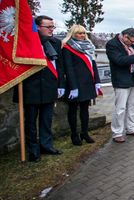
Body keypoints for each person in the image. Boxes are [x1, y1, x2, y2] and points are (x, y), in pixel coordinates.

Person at [14, 15, 65, 162]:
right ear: (37, 27)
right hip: (31, 88)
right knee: (30, 122)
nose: (51, 30)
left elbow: (59, 66)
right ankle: (33, 150)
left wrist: (60, 84)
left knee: (46, 120)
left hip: (49, 86)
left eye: (52, 27)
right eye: (48, 27)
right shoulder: (27, 41)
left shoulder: (55, 43)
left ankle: (46, 145)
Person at [106, 28, 134, 143]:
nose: (133, 44)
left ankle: (131, 128)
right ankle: (117, 132)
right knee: (120, 107)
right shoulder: (112, 44)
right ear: (125, 37)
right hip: (121, 78)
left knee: (133, 105)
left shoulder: (132, 46)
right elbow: (119, 60)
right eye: (132, 41)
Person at [62, 25, 101, 146]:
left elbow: (93, 65)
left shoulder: (89, 47)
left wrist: (97, 81)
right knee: (73, 110)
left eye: (83, 33)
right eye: (79, 33)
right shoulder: (68, 48)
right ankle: (74, 134)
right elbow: (68, 68)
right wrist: (73, 86)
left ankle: (84, 132)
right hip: (75, 84)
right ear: (73, 34)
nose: (82, 36)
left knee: (85, 109)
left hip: (88, 82)